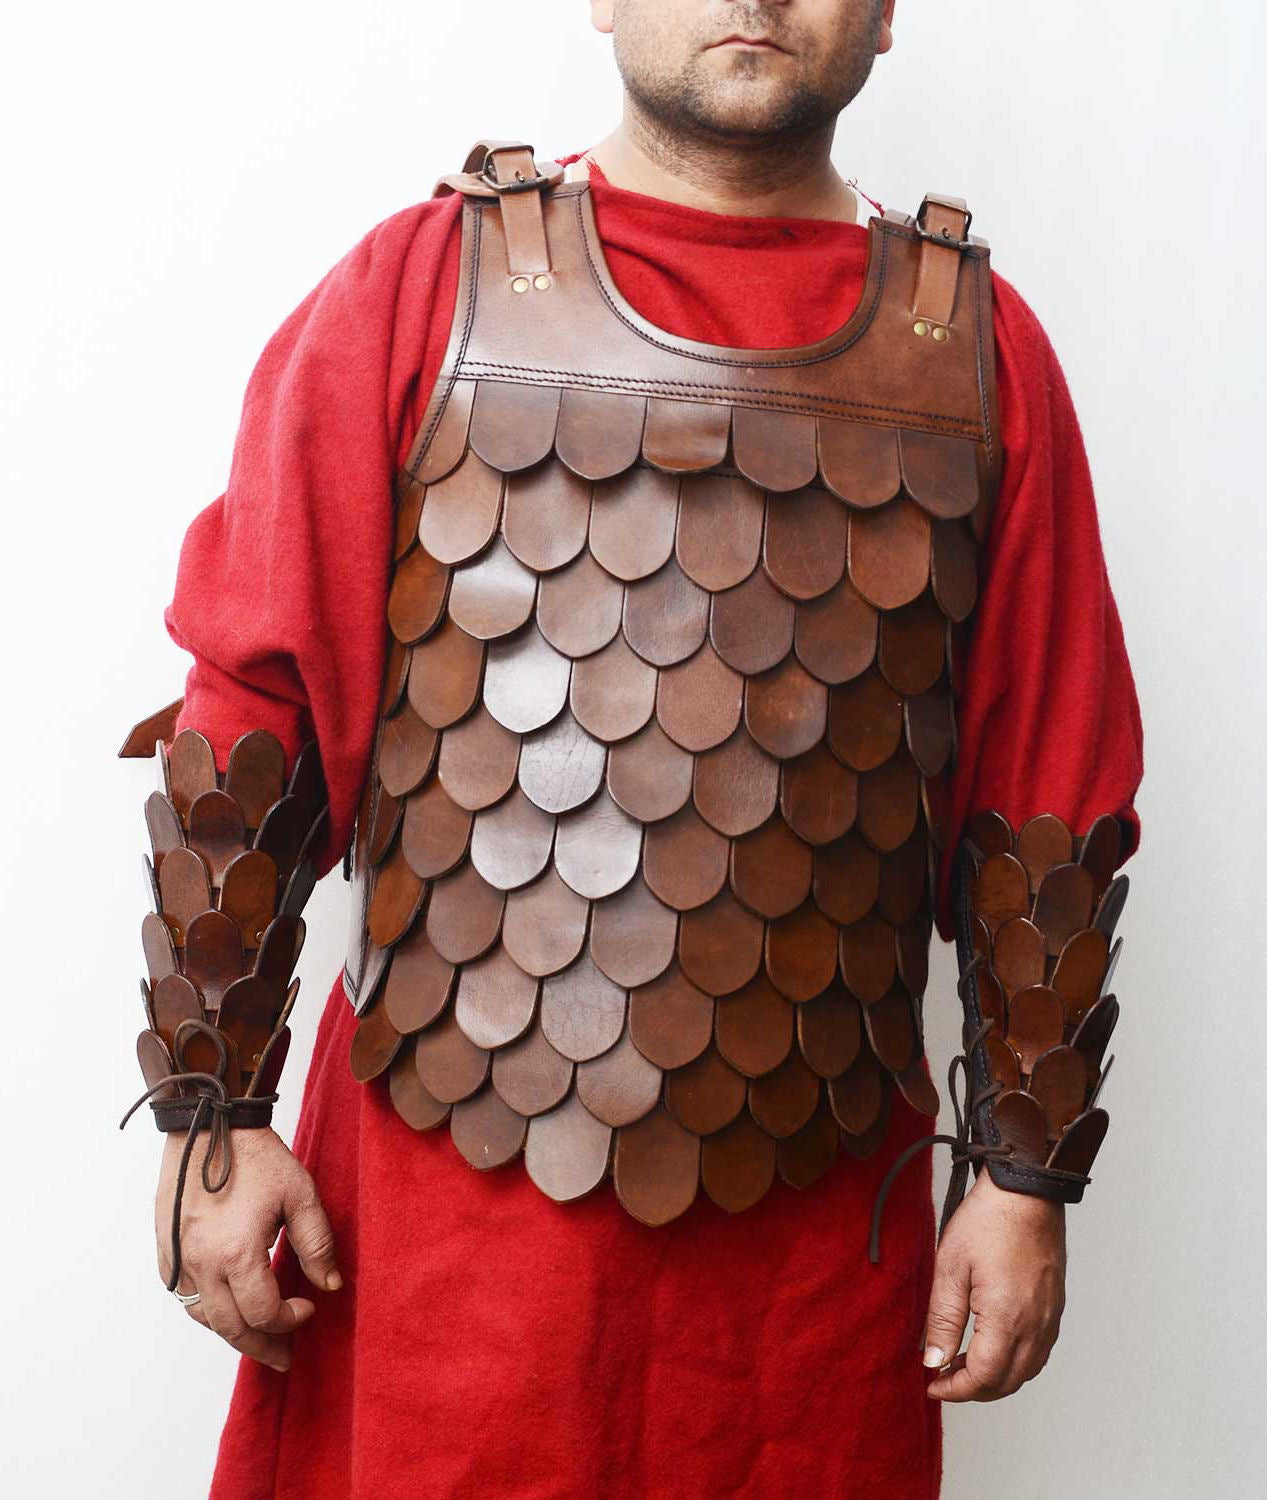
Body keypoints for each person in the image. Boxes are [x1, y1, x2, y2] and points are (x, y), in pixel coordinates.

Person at [119, 3, 1145, 1496]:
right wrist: (212, 1117)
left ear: (884, 15)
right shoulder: (417, 287)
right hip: (439, 1229)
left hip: (807, 1258)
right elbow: (255, 702)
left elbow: (1049, 786)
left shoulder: (981, 355)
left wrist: (1024, 1178)